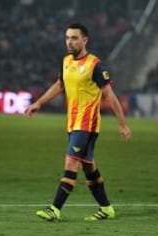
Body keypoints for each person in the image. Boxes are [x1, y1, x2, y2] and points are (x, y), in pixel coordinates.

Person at [24, 23, 131, 221]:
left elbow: (110, 95)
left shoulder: (95, 65)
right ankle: (106, 208)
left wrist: (122, 124)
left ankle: (55, 209)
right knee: (89, 166)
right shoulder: (65, 61)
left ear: (85, 40)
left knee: (71, 163)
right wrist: (39, 103)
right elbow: (59, 85)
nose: (70, 42)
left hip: (87, 124)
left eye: (74, 38)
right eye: (67, 38)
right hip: (72, 124)